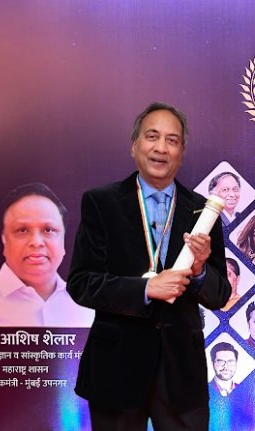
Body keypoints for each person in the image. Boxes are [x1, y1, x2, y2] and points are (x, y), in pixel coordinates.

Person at [68, 102, 230, 430]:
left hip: (181, 373)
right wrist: (145, 288)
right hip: (116, 368)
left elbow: (220, 294)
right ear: (134, 145)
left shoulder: (204, 210)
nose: (161, 148)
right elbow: (82, 283)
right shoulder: (101, 203)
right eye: (152, 136)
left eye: (172, 140)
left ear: (181, 153)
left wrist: (200, 271)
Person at [0, 183, 92, 327]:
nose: (36, 242)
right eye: (22, 230)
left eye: (49, 230)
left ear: (64, 239)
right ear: (4, 239)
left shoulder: (88, 306)